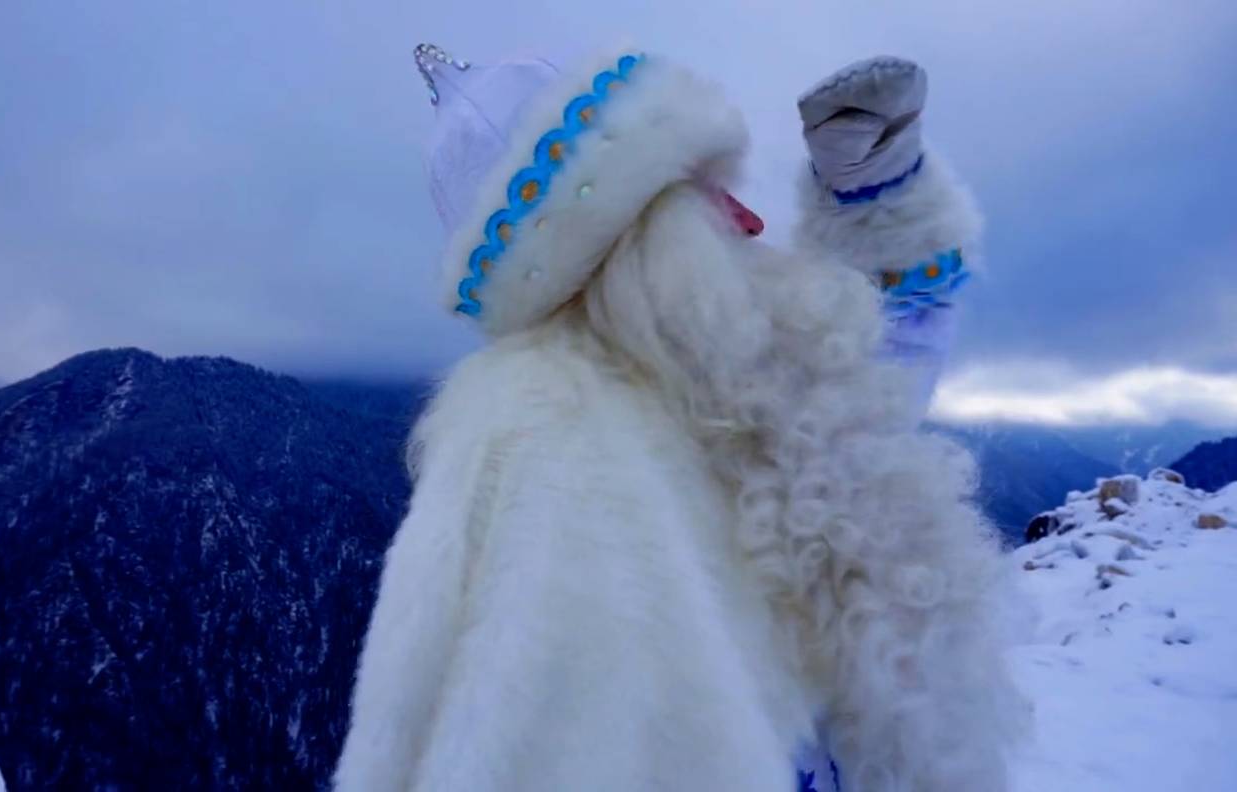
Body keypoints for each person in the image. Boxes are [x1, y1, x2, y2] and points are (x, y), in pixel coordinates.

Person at [333, 44, 1027, 792]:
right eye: (697, 190)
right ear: (628, 235)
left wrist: (879, 196)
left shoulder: (725, 366)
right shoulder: (554, 452)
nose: (745, 220)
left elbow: (873, 378)